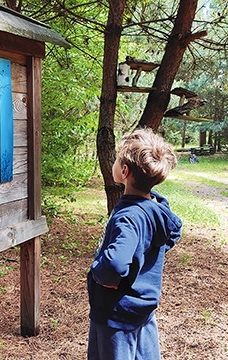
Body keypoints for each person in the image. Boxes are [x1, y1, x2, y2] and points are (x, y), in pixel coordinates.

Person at [87, 128, 183, 359]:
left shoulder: (129, 216)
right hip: (142, 309)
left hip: (116, 315)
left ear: (124, 171)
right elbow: (173, 231)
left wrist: (101, 273)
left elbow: (114, 265)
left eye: (117, 159)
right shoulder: (157, 207)